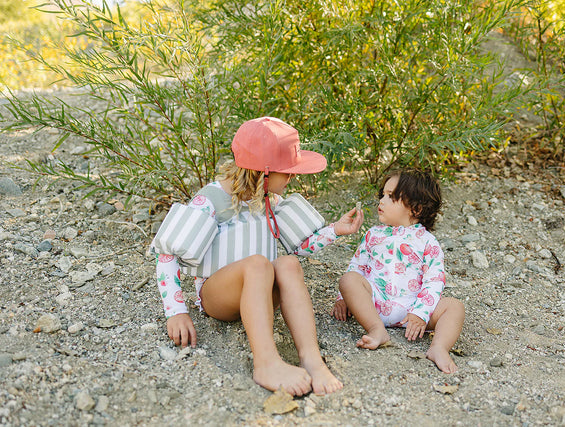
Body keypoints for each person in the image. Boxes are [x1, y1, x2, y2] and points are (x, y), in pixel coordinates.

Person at [152, 117, 364, 396]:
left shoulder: (270, 200)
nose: (292, 178)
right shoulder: (211, 200)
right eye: (286, 172)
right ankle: (266, 362)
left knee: (287, 263)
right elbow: (167, 254)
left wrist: (336, 230)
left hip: (262, 293)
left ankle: (311, 358)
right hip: (219, 297)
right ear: (262, 173)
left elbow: (296, 246)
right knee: (257, 264)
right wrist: (176, 312)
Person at [331, 169, 464, 373]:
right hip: (375, 303)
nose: (381, 201)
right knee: (349, 279)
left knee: (454, 307)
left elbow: (434, 281)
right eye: (382, 195)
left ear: (416, 209)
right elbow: (357, 267)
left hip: (412, 308)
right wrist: (343, 298)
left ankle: (439, 347)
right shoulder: (373, 235)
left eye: (391, 196)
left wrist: (420, 312)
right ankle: (377, 330)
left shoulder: (428, 242)